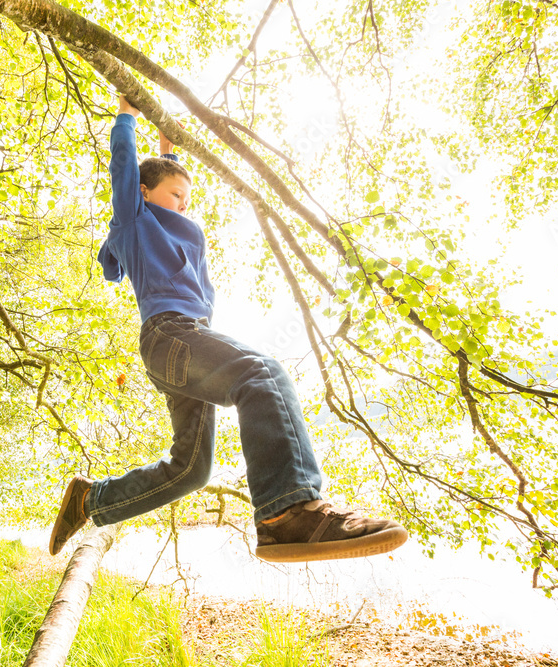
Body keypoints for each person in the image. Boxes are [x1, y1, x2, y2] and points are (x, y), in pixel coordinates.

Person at [49, 94, 408, 563]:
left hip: (185, 348)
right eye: (175, 195)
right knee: (262, 373)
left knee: (191, 469)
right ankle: (287, 512)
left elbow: (160, 180)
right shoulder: (135, 220)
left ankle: (91, 499)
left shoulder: (167, 220)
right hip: (171, 335)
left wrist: (167, 152)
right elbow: (127, 173)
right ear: (143, 192)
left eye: (187, 198)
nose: (183, 204)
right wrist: (126, 118)